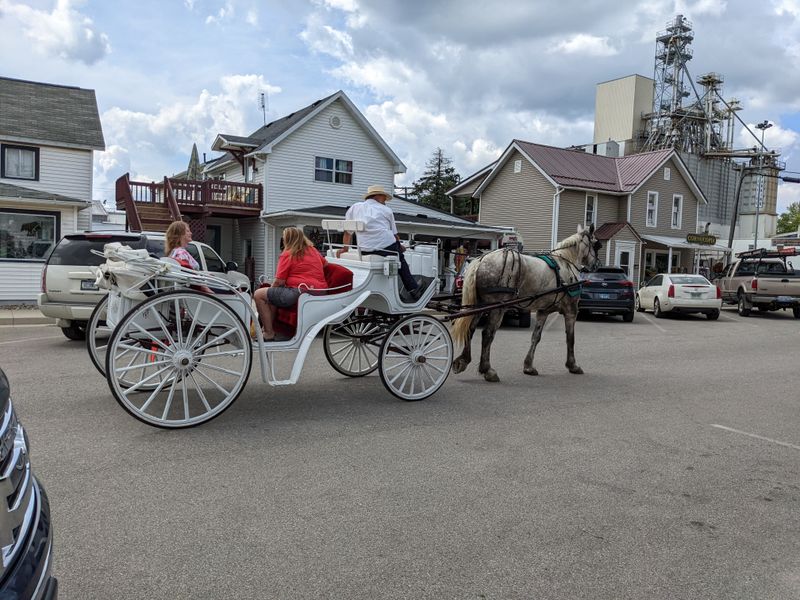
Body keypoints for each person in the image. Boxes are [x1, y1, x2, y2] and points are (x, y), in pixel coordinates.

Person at [337, 184, 422, 301]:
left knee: (396, 255)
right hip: (386, 247)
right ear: (377, 196)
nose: (385, 201)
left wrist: (345, 249)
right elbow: (394, 234)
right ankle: (413, 289)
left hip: (365, 250)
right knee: (400, 261)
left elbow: (347, 232)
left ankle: (392, 292)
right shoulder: (386, 210)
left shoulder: (355, 207)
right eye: (384, 198)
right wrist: (400, 246)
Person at [254, 227, 328, 341]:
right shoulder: (313, 251)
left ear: (287, 240)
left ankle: (268, 333)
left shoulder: (288, 253)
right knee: (272, 296)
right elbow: (325, 264)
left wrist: (271, 290)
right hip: (320, 291)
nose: (283, 241)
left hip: (298, 292)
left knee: (259, 295)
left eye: (283, 239)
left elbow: (279, 281)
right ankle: (267, 328)